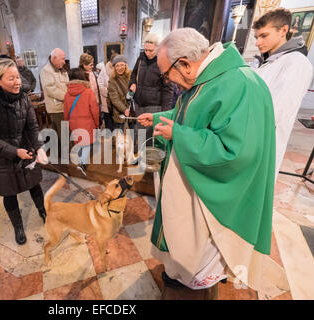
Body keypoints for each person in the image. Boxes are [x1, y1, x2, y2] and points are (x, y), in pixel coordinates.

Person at [138, 28, 286, 298]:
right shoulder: (210, 79)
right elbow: (196, 114)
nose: (169, 82)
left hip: (211, 199)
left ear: (184, 64)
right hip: (193, 189)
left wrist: (179, 135)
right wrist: (161, 119)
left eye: (166, 74)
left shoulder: (239, 85)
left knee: (198, 274)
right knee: (185, 262)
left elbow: (236, 152)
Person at [0, 58, 48, 245]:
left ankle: (43, 212)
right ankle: (18, 227)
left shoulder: (23, 97)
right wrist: (14, 152)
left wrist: (39, 147)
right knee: (9, 193)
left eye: (18, 77)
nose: (17, 82)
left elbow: (31, 126)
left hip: (25, 150)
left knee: (34, 184)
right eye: (11, 78)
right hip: (2, 156)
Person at [252, 8, 313, 179]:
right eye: (257, 37)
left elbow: (277, 111)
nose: (258, 42)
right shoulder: (261, 62)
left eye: (264, 36)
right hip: (247, 138)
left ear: (283, 30)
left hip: (264, 141)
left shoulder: (296, 63)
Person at [129, 33, 175, 141]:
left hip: (154, 106)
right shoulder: (141, 59)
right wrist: (132, 83)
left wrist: (165, 113)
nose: (147, 53)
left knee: (150, 136)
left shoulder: (163, 61)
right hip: (139, 103)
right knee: (139, 132)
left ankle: (146, 156)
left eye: (151, 50)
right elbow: (133, 74)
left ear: (158, 49)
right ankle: (139, 155)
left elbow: (168, 89)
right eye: (146, 50)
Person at [63, 68, 100, 176]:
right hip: (87, 122)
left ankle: (79, 161)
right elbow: (95, 110)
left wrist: (67, 122)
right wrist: (97, 123)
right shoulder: (88, 92)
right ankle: (83, 164)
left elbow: (65, 111)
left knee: (78, 143)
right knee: (87, 144)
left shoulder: (67, 93)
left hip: (74, 122)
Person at [40, 48, 69, 153]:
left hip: (64, 106)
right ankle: (64, 156)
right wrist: (67, 97)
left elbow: (67, 85)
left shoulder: (62, 70)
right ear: (54, 58)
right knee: (62, 133)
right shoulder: (46, 70)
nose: (64, 62)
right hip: (56, 107)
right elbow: (50, 89)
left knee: (64, 132)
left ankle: (62, 154)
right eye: (62, 59)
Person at [108, 55, 132, 130]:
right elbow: (114, 99)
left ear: (126, 65)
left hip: (133, 111)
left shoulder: (131, 76)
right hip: (119, 114)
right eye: (117, 66)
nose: (120, 68)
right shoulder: (112, 80)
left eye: (122, 65)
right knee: (120, 138)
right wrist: (125, 109)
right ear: (114, 67)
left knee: (135, 136)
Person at [97, 53, 118, 132]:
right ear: (111, 61)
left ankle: (117, 140)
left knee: (117, 124)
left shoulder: (120, 69)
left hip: (117, 102)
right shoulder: (104, 71)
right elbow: (100, 84)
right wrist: (109, 93)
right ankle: (110, 140)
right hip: (107, 101)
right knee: (109, 123)